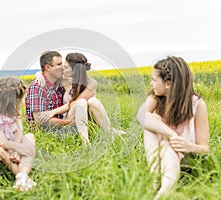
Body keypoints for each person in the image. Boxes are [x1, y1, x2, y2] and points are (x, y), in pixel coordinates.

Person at [136, 56, 209, 198]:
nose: (151, 83)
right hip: (161, 156)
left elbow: (205, 149)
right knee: (153, 122)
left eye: (154, 80)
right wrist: (172, 134)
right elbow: (141, 116)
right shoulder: (155, 98)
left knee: (166, 144)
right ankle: (156, 181)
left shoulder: (197, 105)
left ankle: (161, 190)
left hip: (185, 159)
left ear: (168, 84)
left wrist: (188, 146)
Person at [28, 51, 125, 144]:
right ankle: (86, 142)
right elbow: (48, 74)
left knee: (92, 101)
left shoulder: (91, 83)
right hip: (71, 116)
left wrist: (52, 112)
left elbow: (75, 102)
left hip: (87, 117)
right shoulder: (64, 80)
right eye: (61, 66)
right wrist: (39, 74)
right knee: (82, 102)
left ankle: (109, 133)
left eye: (65, 67)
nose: (62, 69)